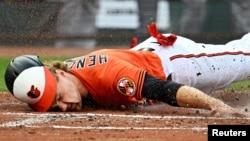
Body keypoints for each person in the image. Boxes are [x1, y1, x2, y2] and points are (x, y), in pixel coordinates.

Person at [4, 22, 250, 117]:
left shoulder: (109, 75)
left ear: (59, 74)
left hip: (176, 61)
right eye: (55, 105)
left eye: (58, 97)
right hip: (144, 59)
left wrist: (216, 106)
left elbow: (163, 89)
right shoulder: (65, 75)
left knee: (244, 56)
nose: (63, 106)